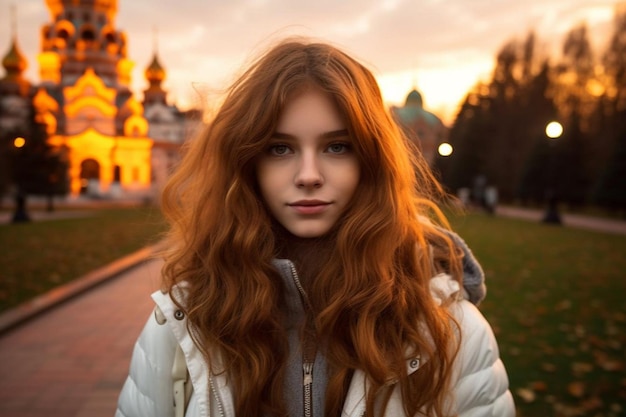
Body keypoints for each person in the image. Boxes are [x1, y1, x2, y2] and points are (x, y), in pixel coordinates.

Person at [116, 38, 514, 417]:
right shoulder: (186, 321)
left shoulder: (448, 330)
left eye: (337, 146)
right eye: (280, 148)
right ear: (246, 162)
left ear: (371, 162)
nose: (308, 175)